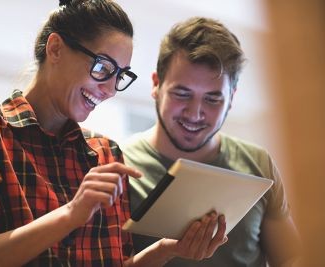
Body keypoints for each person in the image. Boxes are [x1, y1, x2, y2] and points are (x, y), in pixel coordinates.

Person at [0, 2, 226, 266]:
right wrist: (70, 214)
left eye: (119, 75)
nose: (109, 90)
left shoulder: (106, 153)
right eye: (102, 67)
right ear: (55, 48)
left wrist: (166, 250)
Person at [123, 17, 300, 267]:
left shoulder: (259, 164)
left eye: (213, 99)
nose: (195, 113)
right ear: (156, 85)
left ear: (231, 98)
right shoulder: (118, 165)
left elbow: (292, 258)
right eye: (182, 94)